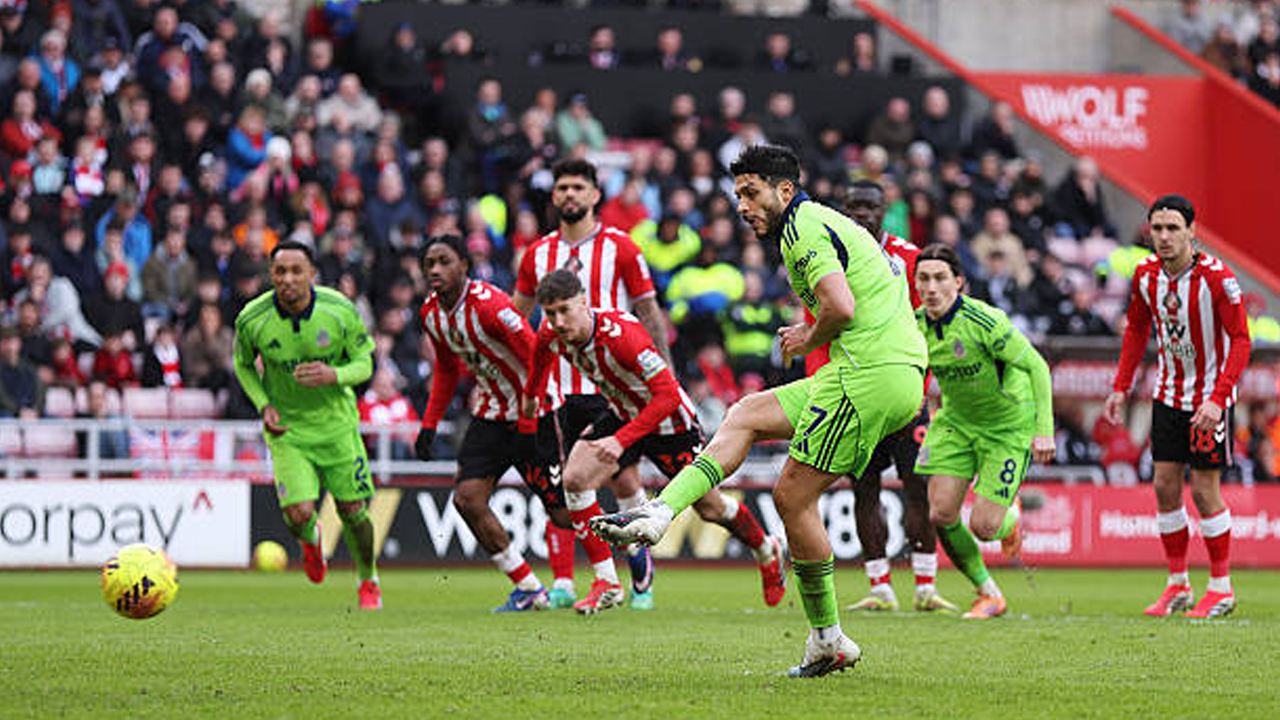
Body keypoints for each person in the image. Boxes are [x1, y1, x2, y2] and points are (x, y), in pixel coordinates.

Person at [593, 145, 928, 678]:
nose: (743, 206)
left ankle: (829, 640)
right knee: (745, 413)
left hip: (870, 372)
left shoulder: (803, 230)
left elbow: (841, 307)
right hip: (871, 370)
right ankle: (660, 512)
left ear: (785, 191)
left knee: (793, 498)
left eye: (751, 193)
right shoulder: (817, 222)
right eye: (738, 195)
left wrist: (806, 333)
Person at [525, 270, 784, 614]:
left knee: (711, 508)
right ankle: (607, 582)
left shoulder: (622, 335)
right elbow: (539, 360)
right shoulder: (550, 333)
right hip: (624, 414)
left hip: (670, 422)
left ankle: (766, 548)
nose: (558, 321)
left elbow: (666, 395)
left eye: (565, 310)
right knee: (575, 479)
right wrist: (530, 397)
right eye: (550, 312)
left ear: (584, 302)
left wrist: (620, 441)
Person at [512, 159, 669, 610]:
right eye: (562, 187)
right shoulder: (536, 254)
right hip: (559, 388)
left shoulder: (621, 247)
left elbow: (648, 311)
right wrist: (524, 374)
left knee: (623, 480)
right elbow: (518, 318)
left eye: (578, 187)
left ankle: (637, 561)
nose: (569, 195)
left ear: (596, 195)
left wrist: (662, 367)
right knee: (567, 483)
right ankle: (591, 578)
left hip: (613, 383)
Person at [1104, 195, 1251, 619]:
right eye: (1157, 229)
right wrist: (1120, 387)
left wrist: (1218, 398)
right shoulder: (1146, 275)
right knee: (1165, 487)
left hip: (1208, 400)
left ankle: (1221, 588)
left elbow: (1241, 341)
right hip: (1167, 396)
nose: (1164, 237)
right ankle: (1177, 585)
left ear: (1192, 232)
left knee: (1204, 490)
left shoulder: (1218, 279)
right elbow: (1135, 328)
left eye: (1173, 229)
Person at [412, 235, 576, 612]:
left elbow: (538, 351)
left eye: (444, 261)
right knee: (467, 499)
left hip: (536, 412)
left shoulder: (490, 306)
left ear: (464, 266)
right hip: (490, 415)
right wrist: (429, 424)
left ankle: (617, 564)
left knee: (563, 512)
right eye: (429, 263)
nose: (435, 270)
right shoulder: (430, 314)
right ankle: (529, 588)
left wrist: (530, 414)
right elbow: (447, 370)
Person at [830, 181, 958, 615]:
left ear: (886, 211)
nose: (862, 213)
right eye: (854, 206)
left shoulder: (908, 258)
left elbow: (931, 315)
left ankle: (925, 584)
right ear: (844, 210)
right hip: (860, 396)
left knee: (917, 487)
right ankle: (880, 586)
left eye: (870, 206)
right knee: (864, 489)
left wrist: (925, 380)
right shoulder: (833, 255)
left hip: (907, 396)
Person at [232, 240, 382, 610]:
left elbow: (366, 364)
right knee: (298, 514)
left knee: (354, 512)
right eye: (280, 272)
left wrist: (335, 374)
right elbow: (243, 365)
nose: (287, 279)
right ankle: (310, 540)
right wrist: (264, 404)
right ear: (271, 275)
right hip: (288, 429)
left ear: (312, 274)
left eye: (296, 271)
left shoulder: (339, 310)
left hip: (337, 427)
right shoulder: (252, 318)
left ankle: (368, 579)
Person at [912, 244, 1056, 619]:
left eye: (940, 278)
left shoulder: (985, 321)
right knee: (941, 513)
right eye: (923, 279)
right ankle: (988, 593)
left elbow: (1037, 366)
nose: (931, 288)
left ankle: (1009, 517)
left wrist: (1044, 431)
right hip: (957, 422)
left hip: (1007, 426)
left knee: (984, 527)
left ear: (958, 282)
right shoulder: (915, 325)